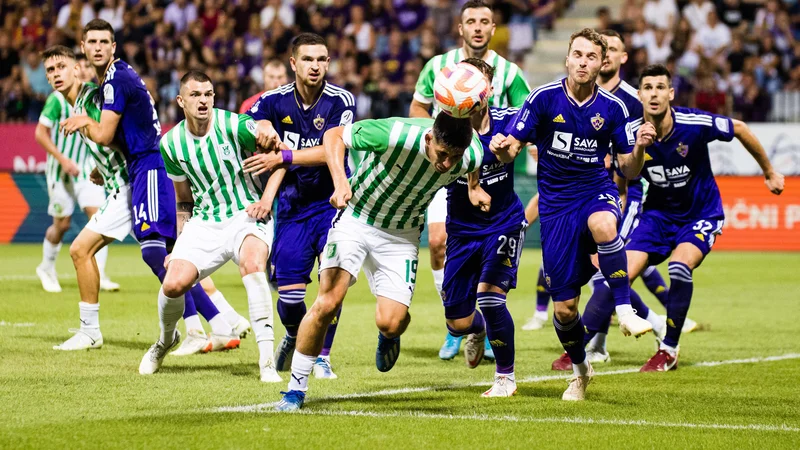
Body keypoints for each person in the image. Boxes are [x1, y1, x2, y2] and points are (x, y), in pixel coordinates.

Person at [272, 111, 488, 411]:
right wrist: (339, 181)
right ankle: (295, 389)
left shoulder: (472, 153)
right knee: (327, 303)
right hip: (356, 219)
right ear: (429, 138)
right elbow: (334, 135)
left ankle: (389, 335)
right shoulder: (395, 133)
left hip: (401, 237)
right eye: (442, 154)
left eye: (455, 157)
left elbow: (472, 164)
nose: (447, 164)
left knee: (391, 322)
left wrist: (473, 187)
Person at [490, 28, 657, 401]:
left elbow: (629, 170)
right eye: (577, 55)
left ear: (602, 63)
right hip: (556, 207)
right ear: (567, 58)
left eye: (591, 57)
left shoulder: (613, 109)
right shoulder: (543, 99)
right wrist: (501, 148)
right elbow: (511, 148)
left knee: (604, 223)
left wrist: (641, 149)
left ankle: (626, 308)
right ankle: (581, 369)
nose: (583, 62)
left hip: (595, 191)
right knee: (565, 310)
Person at [58, 20, 236, 352]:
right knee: (168, 253)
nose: (97, 47)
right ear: (83, 47)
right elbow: (123, 130)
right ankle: (220, 322)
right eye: (91, 42)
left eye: (103, 42)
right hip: (138, 168)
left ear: (113, 47)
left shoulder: (112, 81)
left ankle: (203, 329)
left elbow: (105, 134)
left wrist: (85, 122)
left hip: (147, 168)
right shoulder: (112, 80)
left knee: (157, 253)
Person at [628, 64, 783, 371]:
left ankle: (669, 348)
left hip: (700, 214)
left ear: (671, 93)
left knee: (679, 267)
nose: (655, 93)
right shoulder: (631, 132)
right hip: (657, 215)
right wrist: (638, 148)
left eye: (661, 87)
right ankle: (592, 344)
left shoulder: (693, 123)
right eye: (648, 87)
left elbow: (739, 128)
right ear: (639, 94)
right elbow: (628, 174)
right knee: (616, 278)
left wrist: (769, 171)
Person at [138, 70, 282, 381]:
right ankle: (166, 340)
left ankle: (267, 361)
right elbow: (183, 200)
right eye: (195, 95)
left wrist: (267, 200)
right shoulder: (171, 143)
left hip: (247, 213)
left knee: (253, 265)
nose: (203, 100)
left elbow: (279, 156)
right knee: (174, 283)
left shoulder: (234, 125)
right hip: (205, 221)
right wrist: (178, 245)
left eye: (208, 94)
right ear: (181, 101)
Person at [408, 0, 531, 361]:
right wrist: (429, 139)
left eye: (484, 21)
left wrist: (513, 146)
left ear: (493, 28)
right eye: (470, 21)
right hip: (443, 172)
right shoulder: (437, 68)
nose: (477, 28)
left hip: (496, 194)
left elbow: (523, 123)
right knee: (436, 242)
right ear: (459, 28)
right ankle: (459, 326)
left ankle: (495, 342)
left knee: (492, 292)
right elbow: (418, 108)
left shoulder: (510, 73)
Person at [553, 30, 670, 370]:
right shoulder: (574, 93)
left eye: (612, 50)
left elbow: (636, 156)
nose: (601, 58)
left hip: (625, 193)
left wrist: (621, 186)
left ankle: (589, 340)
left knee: (612, 269)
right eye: (594, 52)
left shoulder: (632, 102)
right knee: (594, 272)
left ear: (620, 58)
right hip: (579, 197)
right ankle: (624, 333)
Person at [244, 33, 356, 380]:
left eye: (322, 59)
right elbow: (252, 120)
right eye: (308, 59)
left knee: (330, 286)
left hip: (331, 204)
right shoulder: (274, 100)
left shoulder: (341, 100)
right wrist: (261, 125)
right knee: (290, 300)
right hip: (292, 208)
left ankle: (321, 356)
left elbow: (332, 149)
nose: (315, 66)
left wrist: (286, 155)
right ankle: (296, 333)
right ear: (293, 63)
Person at [440, 58, 525, 396]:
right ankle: (478, 329)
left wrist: (507, 151)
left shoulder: (508, 120)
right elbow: (437, 164)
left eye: (479, 82)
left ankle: (505, 377)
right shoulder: (445, 127)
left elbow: (524, 145)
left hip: (503, 222)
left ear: (488, 88)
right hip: (461, 230)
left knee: (490, 299)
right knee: (457, 322)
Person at [35, 49, 119, 295]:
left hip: (85, 171)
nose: (82, 69)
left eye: (83, 66)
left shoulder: (92, 97)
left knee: (99, 218)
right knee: (62, 224)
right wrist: (62, 160)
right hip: (60, 171)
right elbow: (40, 133)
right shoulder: (57, 99)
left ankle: (100, 273)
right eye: (52, 69)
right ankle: (46, 267)